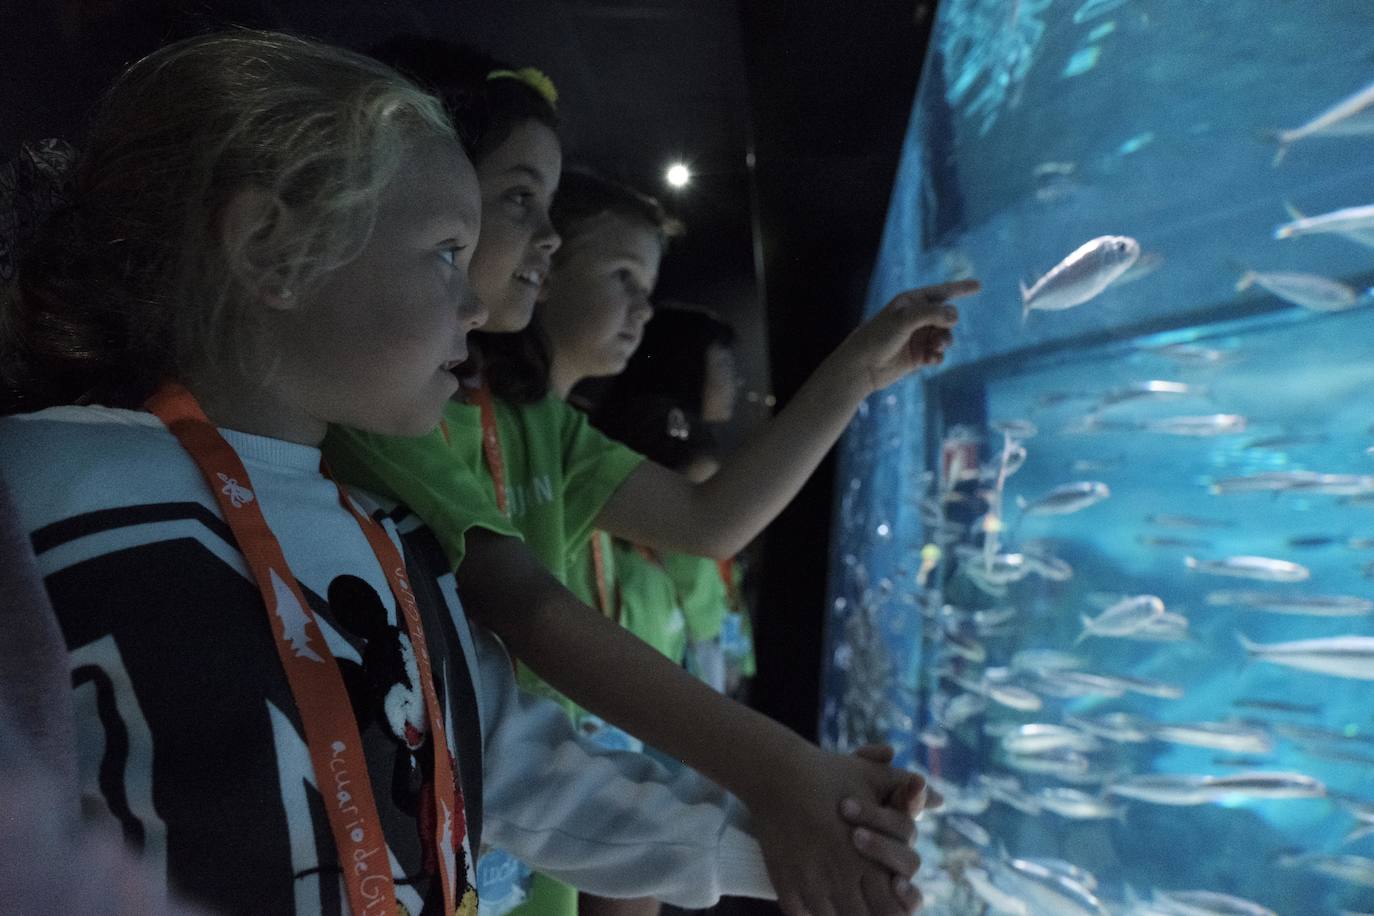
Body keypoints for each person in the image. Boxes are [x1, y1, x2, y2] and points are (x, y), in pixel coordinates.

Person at [0, 31, 923, 916]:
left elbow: (515, 770)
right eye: (446, 252)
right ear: (270, 250)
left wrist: (818, 845)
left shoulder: (397, 543)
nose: (476, 301)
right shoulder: (38, 498)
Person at [327, 37, 968, 916]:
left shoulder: (536, 421)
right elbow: (532, 610)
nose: (544, 238)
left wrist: (857, 369)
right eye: (520, 201)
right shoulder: (390, 406)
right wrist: (784, 775)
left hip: (539, 826)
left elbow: (713, 521)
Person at [589, 305, 753, 697]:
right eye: (726, 366)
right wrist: (720, 649)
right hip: (678, 644)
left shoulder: (625, 433)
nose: (738, 381)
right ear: (687, 366)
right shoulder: (696, 463)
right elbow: (694, 581)